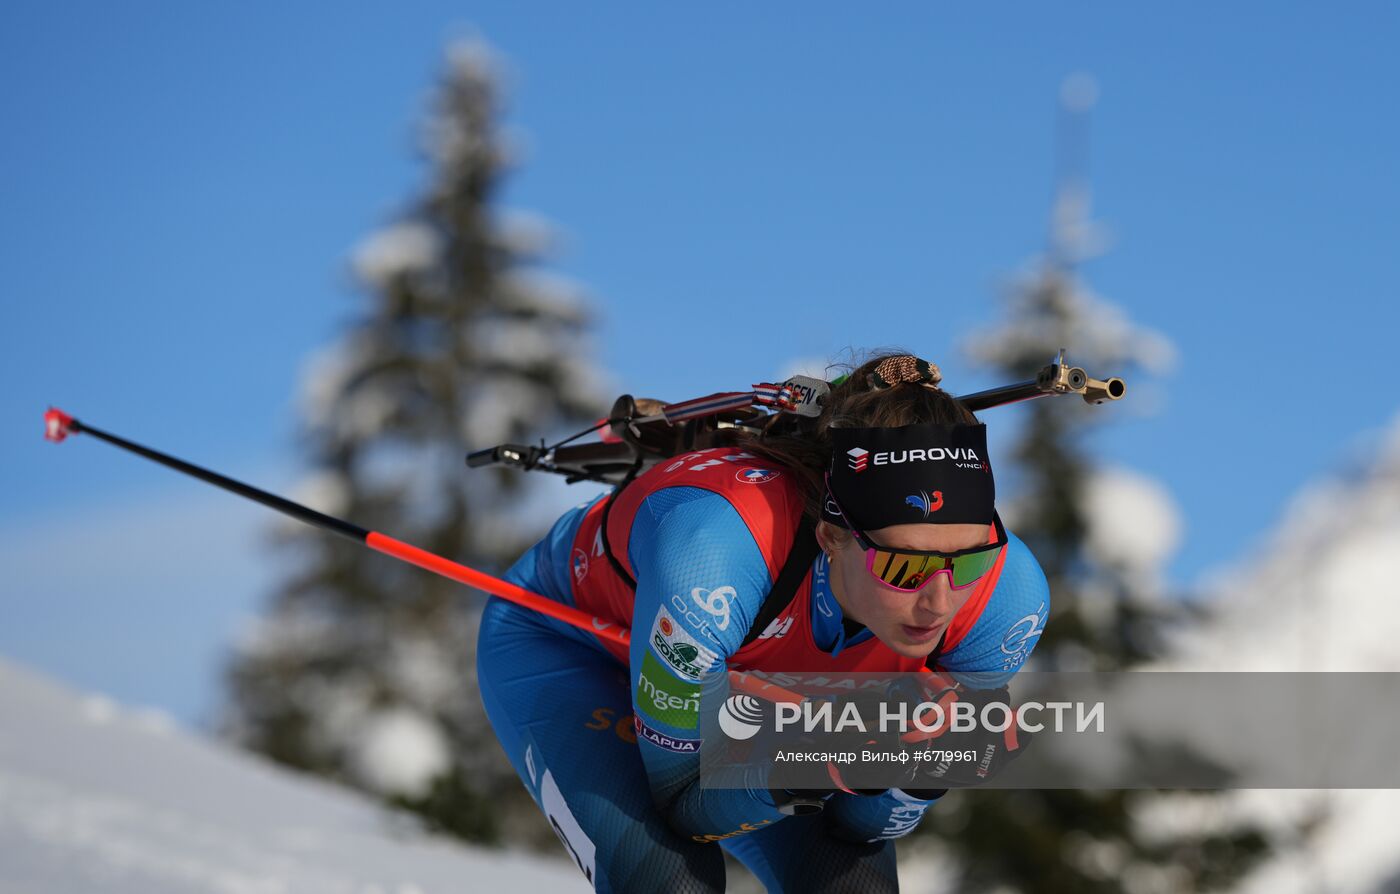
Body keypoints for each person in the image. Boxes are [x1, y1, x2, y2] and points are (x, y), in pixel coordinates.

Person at [476, 353, 1050, 892]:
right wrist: (814, 764)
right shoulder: (717, 553)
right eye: (904, 567)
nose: (940, 603)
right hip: (573, 644)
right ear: (832, 536)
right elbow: (683, 805)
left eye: (970, 560)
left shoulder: (1006, 599)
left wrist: (910, 772)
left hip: (747, 680)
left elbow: (859, 829)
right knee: (670, 879)